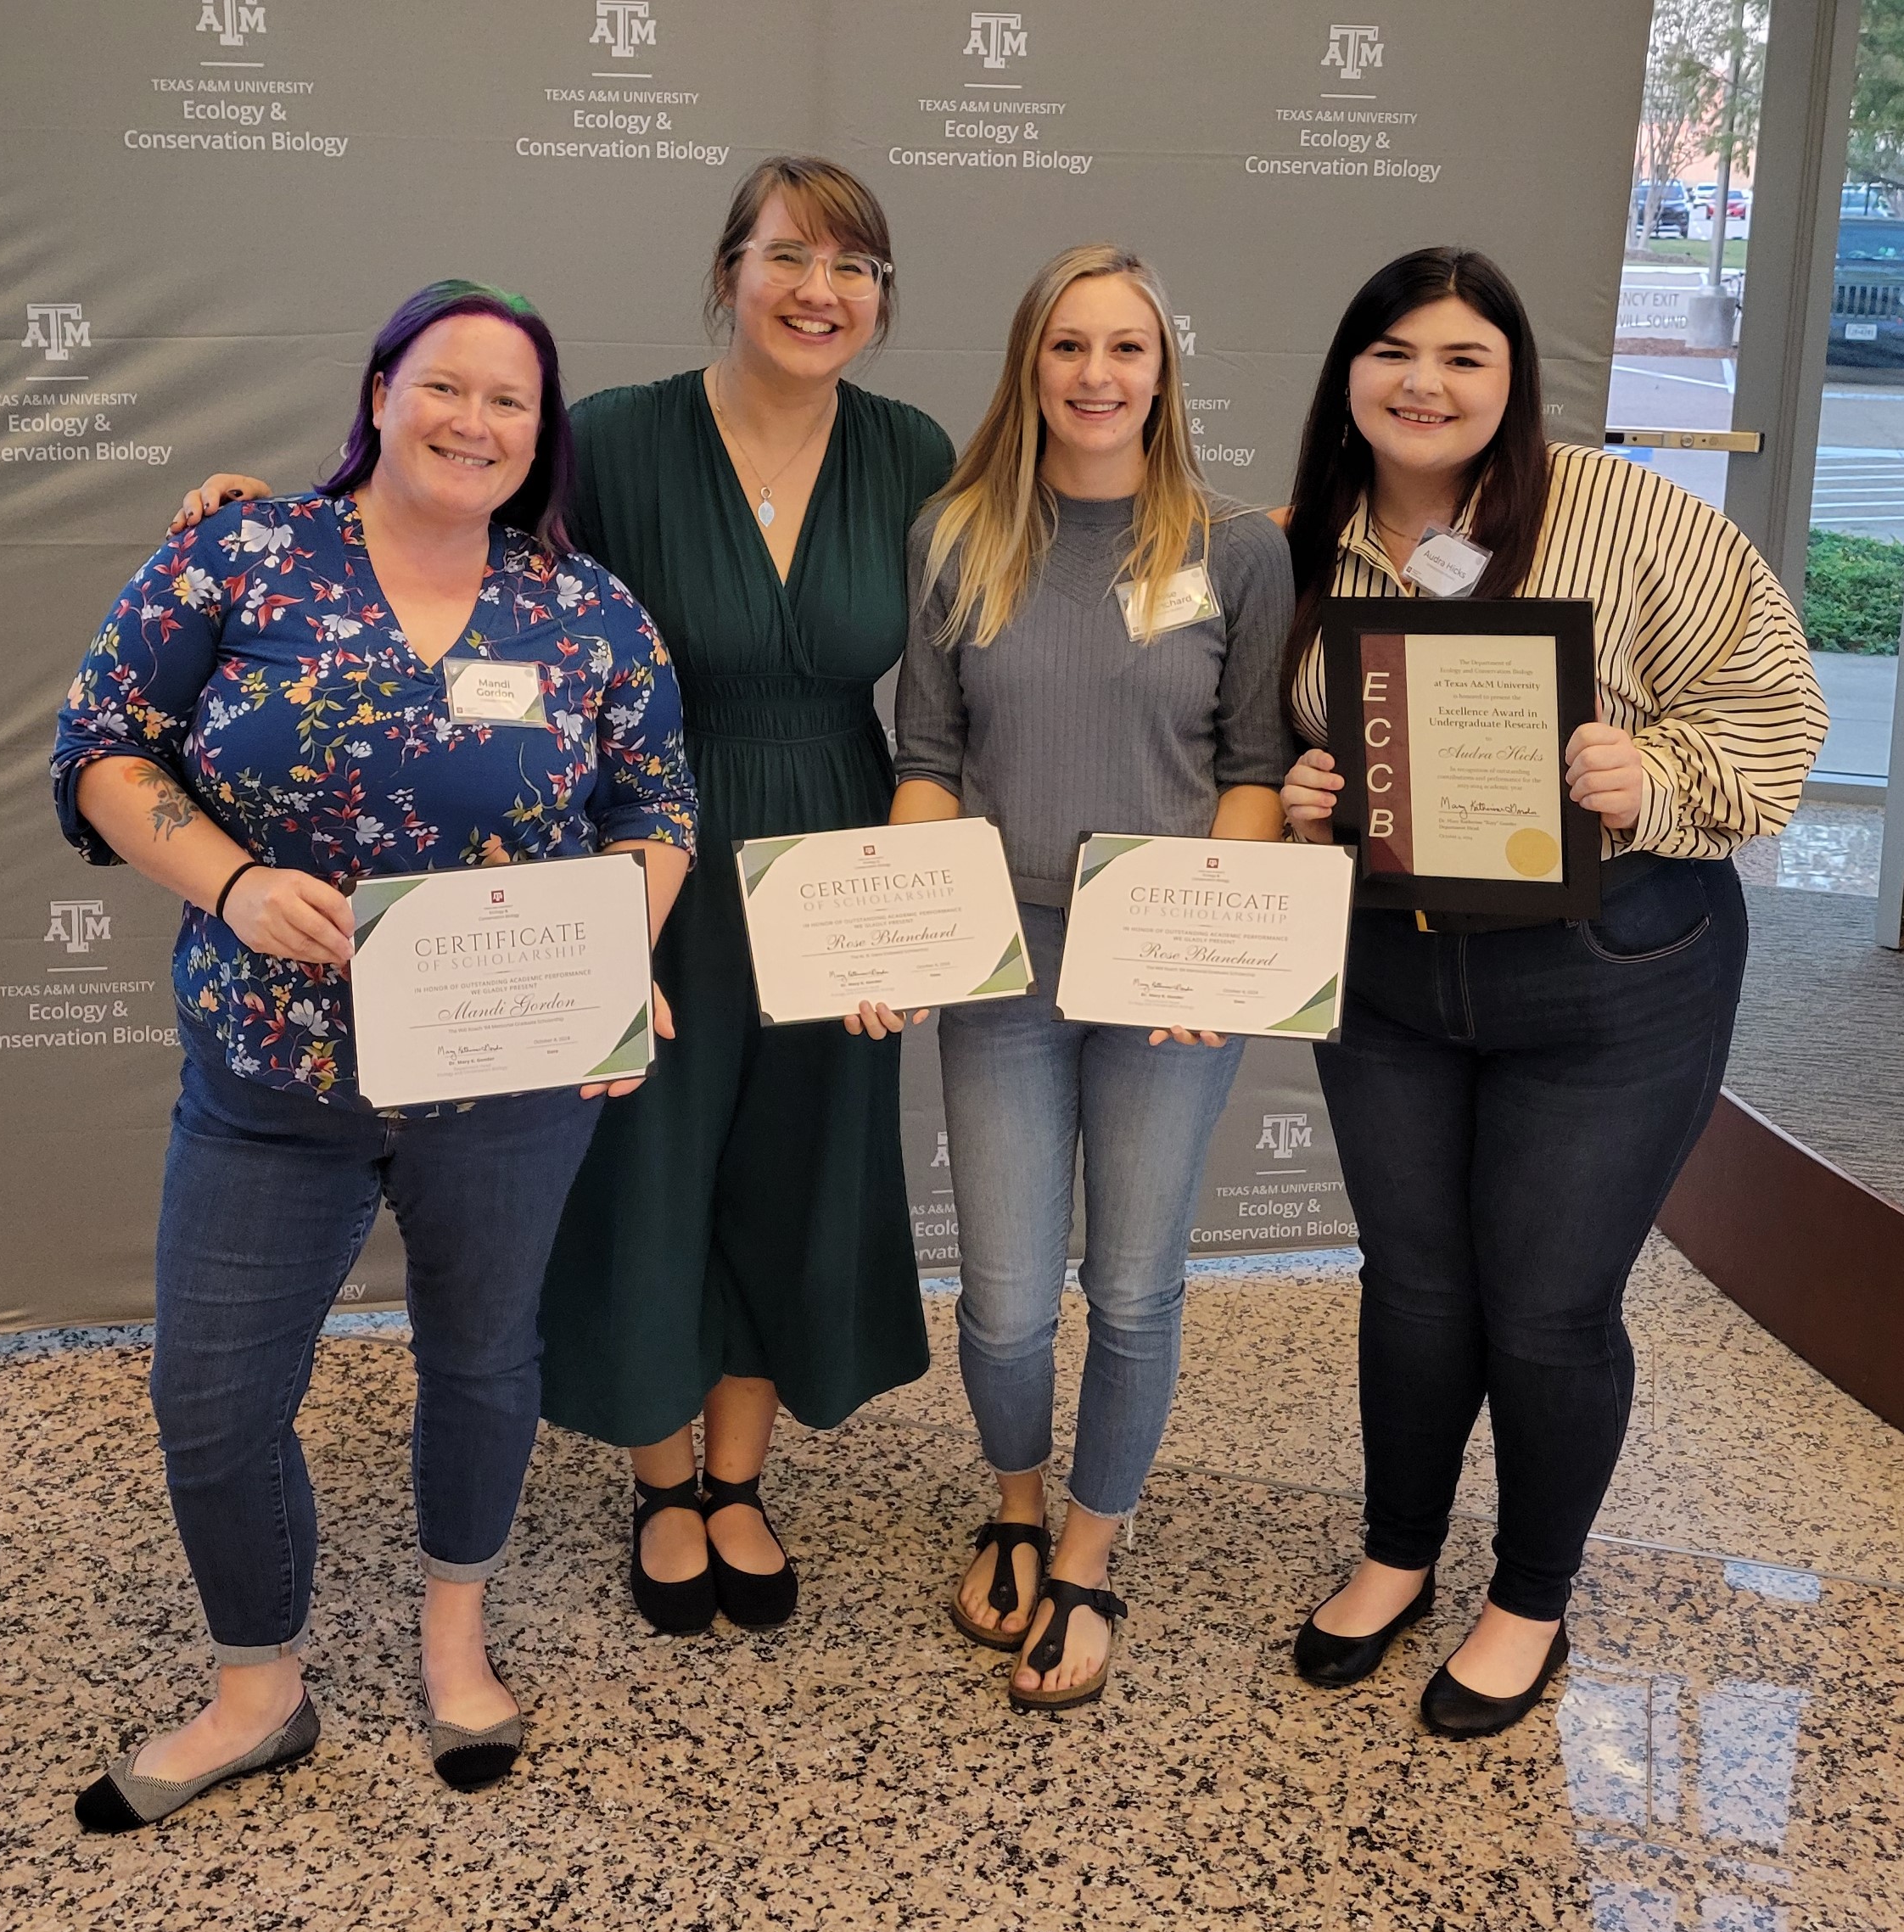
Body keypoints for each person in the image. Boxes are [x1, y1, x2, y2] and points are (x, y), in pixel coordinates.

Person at [171, 159, 954, 1637]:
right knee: (641, 1162)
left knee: (797, 1162)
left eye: (852, 266)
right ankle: (663, 1480)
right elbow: (426, 521)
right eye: (787, 254)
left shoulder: (914, 453)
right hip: (619, 852)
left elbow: (1031, 577)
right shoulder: (610, 438)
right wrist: (250, 513)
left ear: (881, 300)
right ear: (727, 270)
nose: (817, 289)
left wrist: (1270, 538)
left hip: (832, 853)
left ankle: (739, 1474)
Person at [53, 281, 696, 1828]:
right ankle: (255, 1687)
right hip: (269, 1076)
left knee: (481, 1360)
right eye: (444, 385)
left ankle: (455, 1637)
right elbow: (100, 745)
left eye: (511, 401)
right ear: (381, 389)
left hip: (508, 1072)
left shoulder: (586, 609)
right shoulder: (242, 550)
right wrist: (230, 880)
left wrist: (619, 957)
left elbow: (655, 807)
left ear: (543, 436)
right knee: (209, 1398)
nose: (473, 421)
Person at [1277, 247, 1826, 1737]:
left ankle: (1530, 1592)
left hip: (1611, 978)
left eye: (1465, 357)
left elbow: (1777, 711)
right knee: (1415, 1284)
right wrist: (1312, 787)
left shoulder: (1625, 511)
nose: (1424, 384)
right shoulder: (1312, 533)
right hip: (1394, 973)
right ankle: (1397, 1553)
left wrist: (1656, 774)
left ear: (1514, 380)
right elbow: (1292, 730)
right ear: (1350, 372)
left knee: (1545, 1304)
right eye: (1393, 351)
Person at [886, 244, 1292, 1711]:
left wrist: (1215, 928)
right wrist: (900, 933)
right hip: (1003, 951)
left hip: (1166, 952)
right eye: (1070, 346)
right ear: (1030, 362)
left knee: (1130, 1282)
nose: (1099, 375)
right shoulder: (956, 536)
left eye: (1128, 348)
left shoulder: (1237, 546)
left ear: (1164, 369)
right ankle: (1012, 1497)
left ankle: (1090, 1550)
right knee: (1001, 1297)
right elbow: (928, 762)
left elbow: (1254, 766)